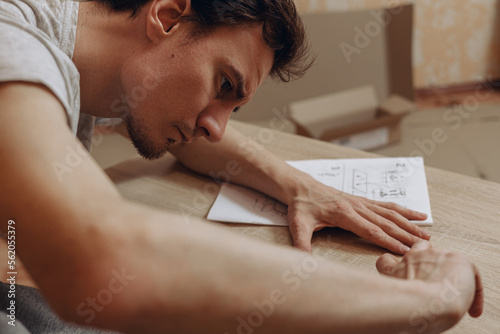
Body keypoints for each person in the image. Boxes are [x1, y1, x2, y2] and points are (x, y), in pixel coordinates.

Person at [0, 0, 483, 333]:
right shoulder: (14, 40)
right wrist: (428, 301)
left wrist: (302, 187)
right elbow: (102, 258)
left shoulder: (97, 59)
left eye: (233, 108)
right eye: (224, 84)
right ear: (167, 16)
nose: (216, 127)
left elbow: (192, 138)